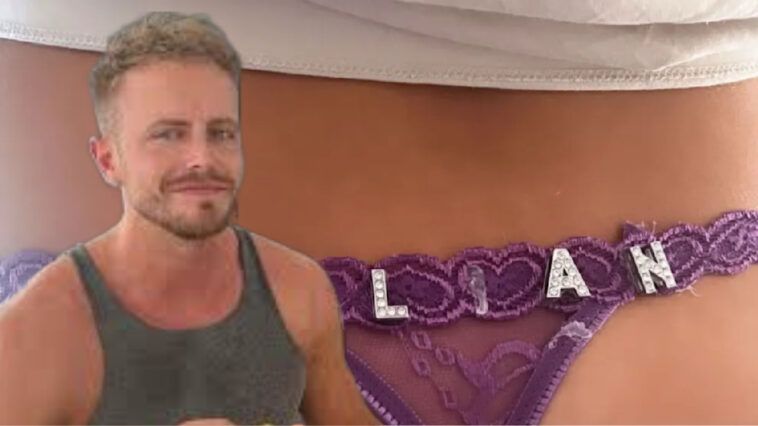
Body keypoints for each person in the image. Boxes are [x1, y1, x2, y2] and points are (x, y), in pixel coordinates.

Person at [0, 11, 378, 425]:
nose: (202, 158)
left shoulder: (299, 289)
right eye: (168, 134)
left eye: (221, 133)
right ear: (108, 160)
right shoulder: (35, 332)